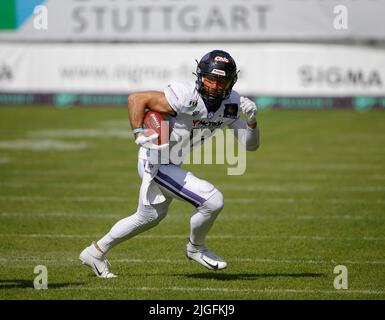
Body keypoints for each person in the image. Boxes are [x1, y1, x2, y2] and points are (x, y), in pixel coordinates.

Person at [79, 50, 260, 278]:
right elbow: (137, 99)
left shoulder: (232, 103)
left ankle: (95, 253)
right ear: (200, 77)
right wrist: (137, 132)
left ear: (231, 81)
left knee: (147, 217)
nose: (214, 86)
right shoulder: (185, 95)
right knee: (212, 201)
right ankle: (196, 248)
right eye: (210, 79)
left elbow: (250, 146)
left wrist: (252, 122)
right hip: (156, 160)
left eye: (221, 81)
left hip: (171, 161)